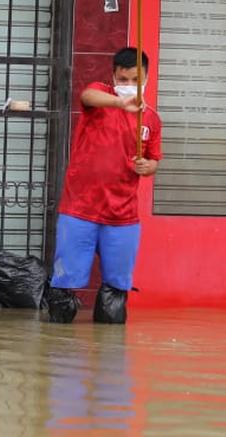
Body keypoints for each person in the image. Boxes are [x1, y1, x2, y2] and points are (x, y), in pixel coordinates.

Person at [47, 47, 162, 324]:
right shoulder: (101, 97)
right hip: (79, 210)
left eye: (136, 80)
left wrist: (148, 167)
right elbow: (87, 96)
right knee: (63, 290)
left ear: (147, 78)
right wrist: (120, 102)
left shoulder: (151, 120)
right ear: (113, 77)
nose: (129, 86)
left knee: (115, 300)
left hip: (123, 216)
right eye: (123, 80)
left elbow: (153, 160)